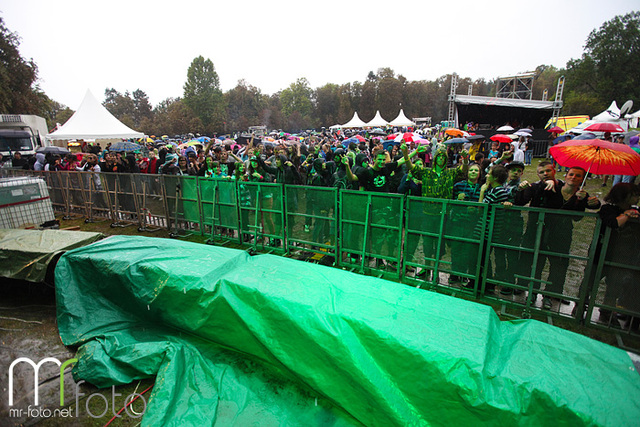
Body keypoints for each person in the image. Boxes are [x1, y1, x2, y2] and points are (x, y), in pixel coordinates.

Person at [515, 162, 601, 309]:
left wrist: (591, 202)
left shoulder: (576, 194)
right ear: (566, 175)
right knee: (537, 262)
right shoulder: (538, 187)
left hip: (561, 235)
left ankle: (550, 295)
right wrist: (521, 189)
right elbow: (520, 201)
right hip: (538, 231)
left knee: (559, 265)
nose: (574, 177)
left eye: (578, 176)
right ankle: (533, 291)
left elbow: (579, 215)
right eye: (572, 174)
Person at [593, 183, 640, 328]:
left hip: (622, 256)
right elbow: (613, 223)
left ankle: (607, 312)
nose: (637, 198)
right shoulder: (608, 209)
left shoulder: (636, 211)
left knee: (614, 285)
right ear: (623, 195)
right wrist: (626, 215)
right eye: (634, 195)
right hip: (602, 253)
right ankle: (581, 306)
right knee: (591, 281)